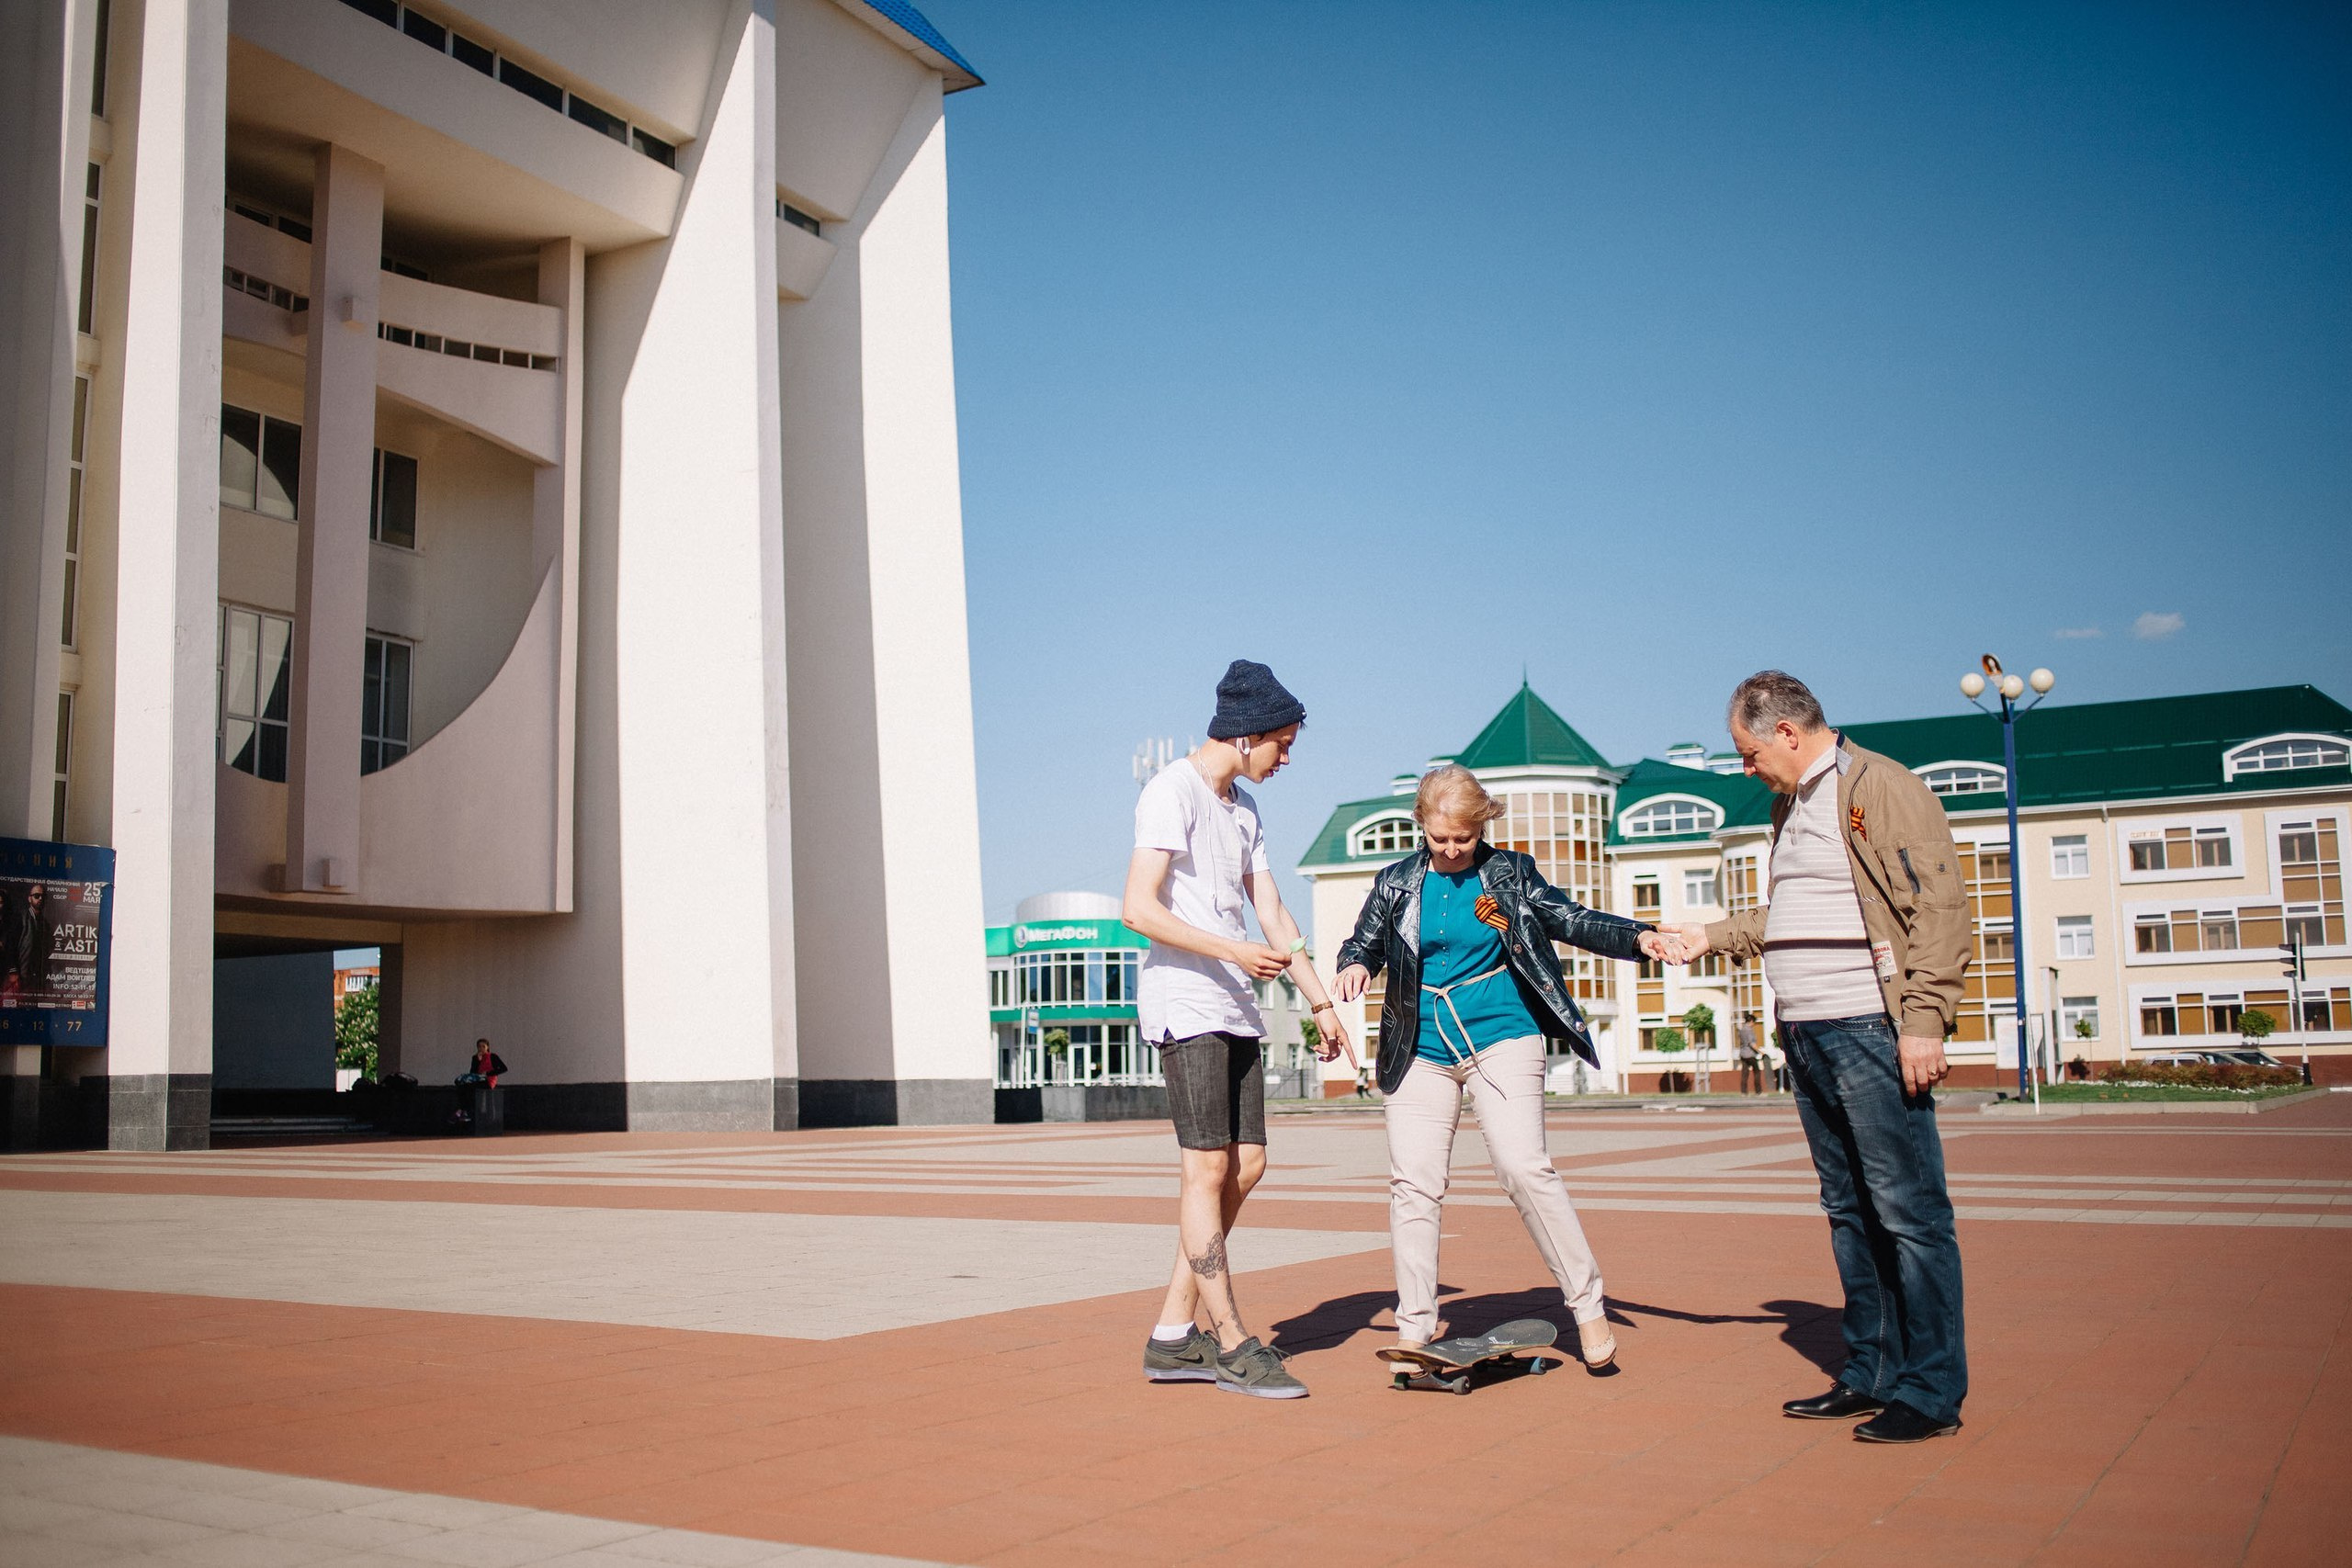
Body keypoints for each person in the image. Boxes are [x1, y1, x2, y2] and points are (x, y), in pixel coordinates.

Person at [1662, 671, 1971, 1444]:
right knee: (1849, 1211)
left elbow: (1939, 904)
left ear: (1789, 733)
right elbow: (1794, 910)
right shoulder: (1789, 803)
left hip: (1870, 1026)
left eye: (1747, 751)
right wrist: (1711, 938)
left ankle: (1930, 1391)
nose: (1746, 767)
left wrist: (1925, 1019)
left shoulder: (1882, 787)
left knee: (1908, 1212)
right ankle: (1869, 1371)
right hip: (1806, 1033)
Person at [1333, 765, 1679, 1370]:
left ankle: (1587, 1303)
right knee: (1413, 1184)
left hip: (1502, 1035)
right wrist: (1354, 965)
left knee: (1524, 1167)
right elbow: (1361, 943)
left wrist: (1637, 937)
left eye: (1462, 838)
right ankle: (1415, 1328)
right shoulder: (1394, 883)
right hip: (1420, 1046)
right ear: (1423, 825)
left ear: (1481, 826)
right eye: (1440, 838)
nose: (1451, 849)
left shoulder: (1510, 874)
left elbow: (1569, 918)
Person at [1122, 660, 1352, 1399]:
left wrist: (1320, 1001)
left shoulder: (1245, 810)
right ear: (1247, 733)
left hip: (1235, 1008)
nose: (1286, 758)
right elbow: (1137, 908)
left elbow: (1274, 915)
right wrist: (1231, 949)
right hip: (1185, 1001)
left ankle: (1169, 1334)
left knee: (1248, 1164)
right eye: (1281, 744)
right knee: (1207, 1171)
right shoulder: (1171, 791)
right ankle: (1229, 1339)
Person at [1735, 1013, 1763, 1095]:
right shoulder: (1749, 1030)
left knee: (1744, 1073)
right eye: (1754, 1022)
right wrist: (1761, 1052)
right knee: (1757, 1072)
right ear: (1751, 1021)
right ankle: (1758, 1091)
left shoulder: (1742, 1029)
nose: (1754, 1024)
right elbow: (1752, 1043)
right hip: (1750, 1054)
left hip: (1743, 1054)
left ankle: (1744, 1091)